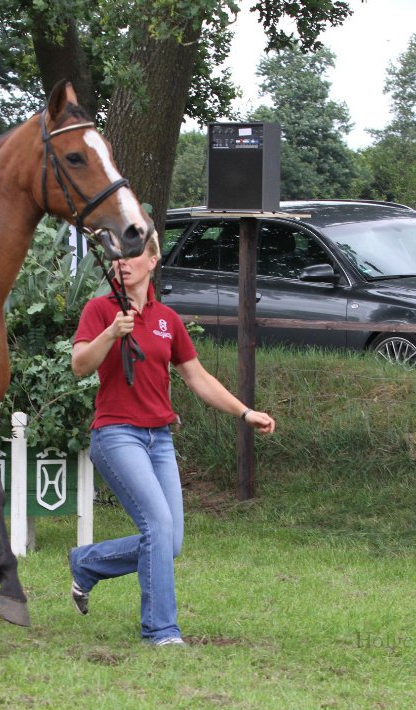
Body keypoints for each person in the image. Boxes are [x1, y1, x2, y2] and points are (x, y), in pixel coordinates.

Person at [67, 231, 275, 646]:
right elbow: (79, 366)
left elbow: (197, 378)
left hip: (158, 438)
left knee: (170, 541)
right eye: (116, 258)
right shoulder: (99, 310)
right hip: (116, 434)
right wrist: (110, 333)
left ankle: (86, 563)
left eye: (131, 256)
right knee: (158, 525)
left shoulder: (167, 320)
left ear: (152, 261)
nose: (122, 263)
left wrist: (245, 411)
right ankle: (161, 631)